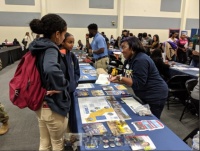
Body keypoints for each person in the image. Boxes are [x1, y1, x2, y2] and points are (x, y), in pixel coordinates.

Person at [29, 13, 71, 150]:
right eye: (64, 34)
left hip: (41, 101)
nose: (64, 37)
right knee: (57, 143)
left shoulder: (38, 46)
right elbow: (51, 69)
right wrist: (63, 84)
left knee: (44, 142)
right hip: (52, 105)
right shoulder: (51, 48)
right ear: (57, 34)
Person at [108, 37, 168, 119]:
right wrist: (116, 80)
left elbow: (138, 82)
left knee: (151, 119)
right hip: (145, 93)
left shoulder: (141, 60)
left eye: (124, 47)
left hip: (155, 94)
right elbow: (127, 78)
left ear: (132, 47)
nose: (122, 51)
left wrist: (120, 78)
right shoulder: (129, 60)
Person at [60, 32, 80, 132]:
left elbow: (77, 71)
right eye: (69, 42)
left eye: (73, 42)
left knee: (73, 114)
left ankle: (72, 131)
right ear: (63, 42)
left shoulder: (72, 56)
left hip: (71, 91)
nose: (72, 44)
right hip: (62, 92)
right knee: (62, 116)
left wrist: (75, 82)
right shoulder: (58, 55)